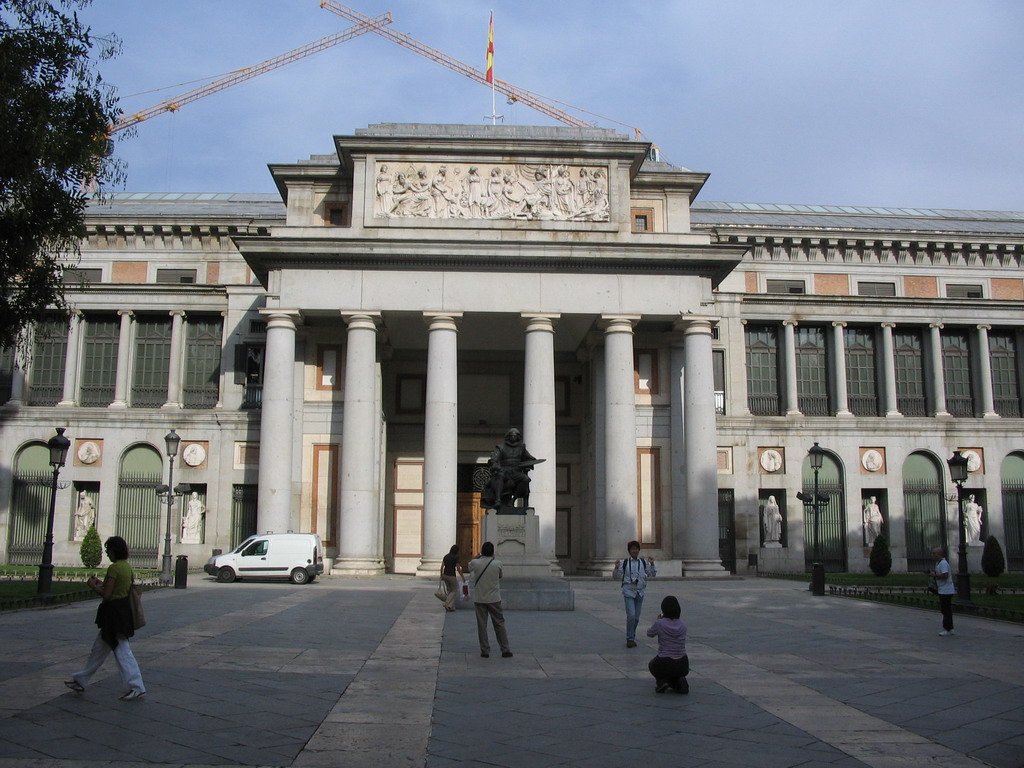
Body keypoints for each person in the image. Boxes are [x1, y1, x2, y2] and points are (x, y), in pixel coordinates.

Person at [64, 536, 146, 700]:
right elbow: (119, 589)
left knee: (122, 651)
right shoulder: (127, 567)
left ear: (115, 551)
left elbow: (107, 594)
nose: (107, 553)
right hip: (122, 612)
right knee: (99, 650)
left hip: (113, 614)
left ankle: (136, 686)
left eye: (108, 550)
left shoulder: (115, 568)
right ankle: (81, 679)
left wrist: (93, 585)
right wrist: (103, 583)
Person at [482, 427, 543, 511]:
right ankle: (498, 500)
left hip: (515, 472)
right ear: (508, 436)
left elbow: (529, 458)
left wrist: (529, 464)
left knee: (525, 479)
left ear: (517, 437)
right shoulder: (501, 447)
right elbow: (493, 460)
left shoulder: (521, 447)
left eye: (515, 436)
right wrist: (499, 467)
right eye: (511, 436)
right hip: (503, 471)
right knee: (500, 477)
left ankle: (513, 500)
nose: (513, 437)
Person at [468, 542, 512, 658]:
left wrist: (478, 556)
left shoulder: (475, 563)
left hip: (480, 598)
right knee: (499, 623)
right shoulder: (497, 564)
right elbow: (500, 576)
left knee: (482, 625)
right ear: (493, 552)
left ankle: (484, 650)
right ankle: (505, 648)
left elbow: (469, 565)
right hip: (494, 598)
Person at [613, 540, 656, 647]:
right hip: (628, 591)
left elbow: (651, 574)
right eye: (633, 549)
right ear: (629, 551)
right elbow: (616, 577)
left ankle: (632, 634)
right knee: (631, 615)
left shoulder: (643, 562)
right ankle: (630, 638)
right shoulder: (625, 563)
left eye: (636, 549)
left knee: (636, 617)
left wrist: (652, 564)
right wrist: (616, 567)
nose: (635, 551)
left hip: (640, 591)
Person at [646, 595, 689, 694]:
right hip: (683, 663)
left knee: (652, 665)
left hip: (664, 661)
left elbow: (649, 633)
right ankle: (679, 682)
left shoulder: (660, 624)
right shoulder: (683, 625)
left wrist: (658, 620)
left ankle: (661, 682)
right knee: (675, 673)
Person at [930, 546, 955, 636]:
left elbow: (945, 575)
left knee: (945, 610)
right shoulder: (939, 563)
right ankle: (950, 627)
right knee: (946, 609)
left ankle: (947, 628)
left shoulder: (943, 563)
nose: (933, 555)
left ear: (939, 554)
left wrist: (935, 575)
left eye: (934, 553)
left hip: (946, 590)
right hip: (943, 589)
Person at [439, 544, 464, 612]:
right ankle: (447, 603)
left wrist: (441, 575)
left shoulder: (446, 556)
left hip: (445, 575)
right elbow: (458, 568)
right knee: (454, 590)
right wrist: (462, 576)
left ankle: (451, 606)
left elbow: (442, 566)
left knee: (449, 590)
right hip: (451, 575)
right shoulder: (455, 557)